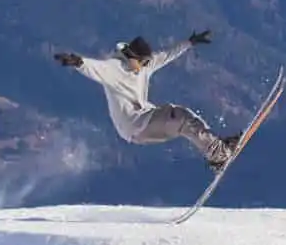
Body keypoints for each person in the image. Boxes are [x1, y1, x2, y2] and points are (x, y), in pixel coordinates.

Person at [53, 29, 241, 172]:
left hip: (143, 123)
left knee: (186, 120)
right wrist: (76, 61)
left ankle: (216, 147)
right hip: (135, 125)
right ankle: (218, 154)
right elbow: (94, 67)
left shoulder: (143, 66)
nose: (143, 67)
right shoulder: (114, 68)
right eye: (141, 62)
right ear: (131, 57)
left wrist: (190, 42)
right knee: (180, 116)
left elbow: (167, 55)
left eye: (145, 63)